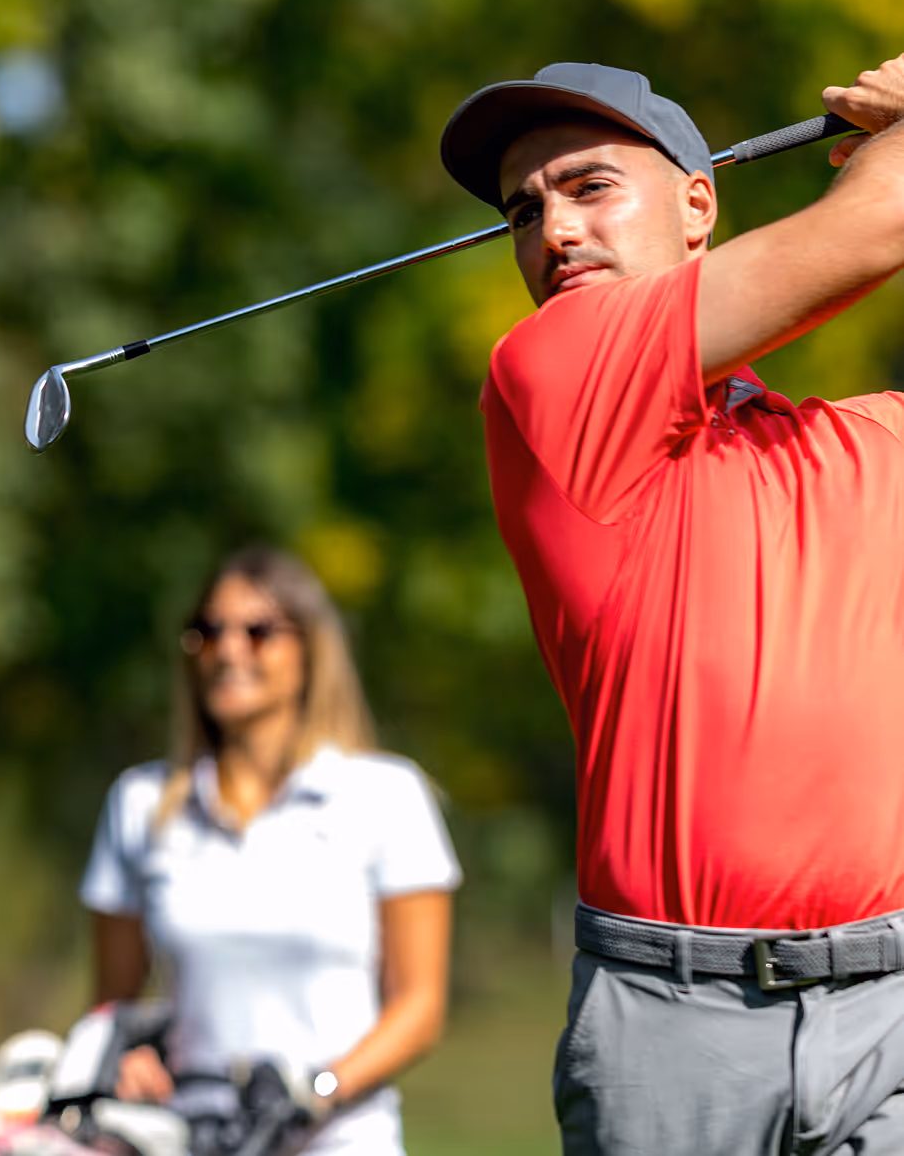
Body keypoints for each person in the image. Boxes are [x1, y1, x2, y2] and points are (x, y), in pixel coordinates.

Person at [437, 56, 904, 1154]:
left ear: (699, 203)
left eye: (589, 187)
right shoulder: (544, 374)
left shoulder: (865, 447)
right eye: (524, 209)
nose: (553, 230)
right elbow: (876, 226)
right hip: (674, 1020)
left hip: (892, 1006)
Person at [79, 546, 461, 1156]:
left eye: (258, 632)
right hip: (186, 1138)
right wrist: (130, 1059)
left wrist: (320, 1089)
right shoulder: (139, 803)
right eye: (207, 632)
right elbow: (113, 1010)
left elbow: (419, 1007)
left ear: (311, 650)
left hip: (341, 1137)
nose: (229, 651)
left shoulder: (386, 796)